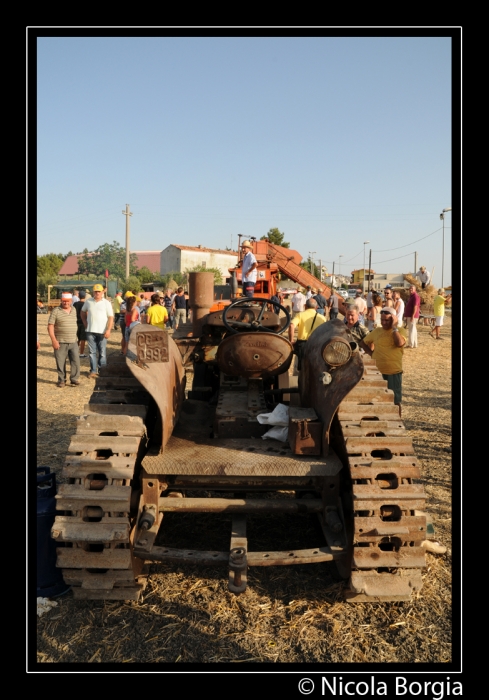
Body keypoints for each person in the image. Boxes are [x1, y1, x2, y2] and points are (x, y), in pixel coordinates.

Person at [360, 307, 407, 417]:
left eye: (387, 320)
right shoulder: (377, 331)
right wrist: (372, 354)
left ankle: (396, 424)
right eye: (382, 320)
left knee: (395, 401)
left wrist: (394, 327)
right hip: (377, 373)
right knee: (377, 400)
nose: (384, 323)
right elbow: (363, 343)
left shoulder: (400, 331)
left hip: (393, 372)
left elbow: (400, 343)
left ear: (394, 319)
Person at [47, 292, 81, 387]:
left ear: (71, 301)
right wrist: (54, 340)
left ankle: (74, 379)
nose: (65, 303)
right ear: (61, 301)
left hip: (73, 341)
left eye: (67, 301)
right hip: (60, 341)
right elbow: (50, 326)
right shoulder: (56, 311)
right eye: (64, 301)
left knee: (75, 361)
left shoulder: (74, 309)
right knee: (60, 362)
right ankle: (62, 380)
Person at [80, 283, 114, 378]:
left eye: (99, 291)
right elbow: (82, 312)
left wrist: (108, 330)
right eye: (96, 291)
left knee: (102, 352)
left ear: (103, 291)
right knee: (92, 352)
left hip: (102, 331)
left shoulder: (106, 303)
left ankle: (102, 371)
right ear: (93, 292)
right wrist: (85, 323)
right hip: (90, 331)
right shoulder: (88, 301)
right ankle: (93, 371)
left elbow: (111, 317)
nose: (97, 293)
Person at [288, 298, 327, 370]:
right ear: (316, 307)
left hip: (302, 344)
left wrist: (291, 340)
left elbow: (291, 325)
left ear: (305, 306)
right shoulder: (322, 318)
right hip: (316, 345)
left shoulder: (300, 315)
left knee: (300, 367)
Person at [404, 284, 421, 348]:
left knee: (411, 330)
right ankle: (414, 344)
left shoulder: (415, 296)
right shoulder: (412, 296)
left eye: (412, 289)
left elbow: (415, 306)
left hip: (412, 315)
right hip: (411, 315)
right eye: (410, 288)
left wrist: (412, 315)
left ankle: (411, 344)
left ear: (415, 289)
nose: (410, 290)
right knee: (413, 329)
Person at [73, 290, 88, 357]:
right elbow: (87, 313)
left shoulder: (75, 304)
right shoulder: (85, 304)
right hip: (83, 322)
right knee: (83, 339)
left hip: (76, 322)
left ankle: (74, 352)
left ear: (78, 296)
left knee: (77, 338)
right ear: (85, 296)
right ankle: (81, 353)